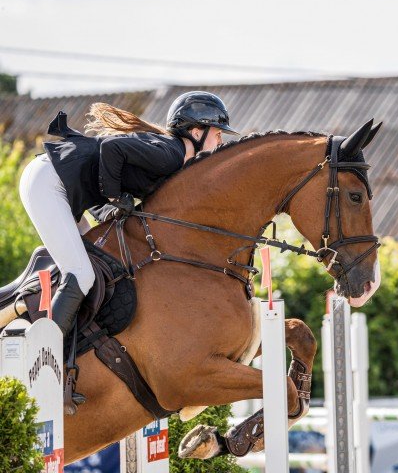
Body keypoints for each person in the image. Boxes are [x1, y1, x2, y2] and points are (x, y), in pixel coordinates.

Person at [18, 91, 239, 336]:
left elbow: (100, 177)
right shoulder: (171, 155)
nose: (220, 143)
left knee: (99, 263)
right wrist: (114, 199)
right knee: (80, 274)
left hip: (63, 183)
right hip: (49, 182)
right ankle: (45, 348)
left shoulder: (173, 155)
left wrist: (110, 208)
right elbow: (112, 149)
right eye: (218, 134)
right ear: (197, 133)